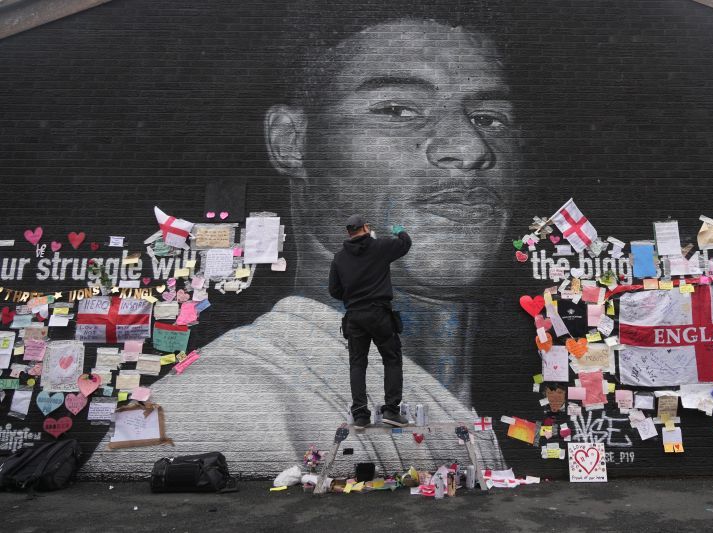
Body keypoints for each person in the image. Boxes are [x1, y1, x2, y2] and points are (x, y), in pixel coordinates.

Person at [83, 15, 519, 478]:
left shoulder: (463, 398)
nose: (469, 147)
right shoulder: (221, 409)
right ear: (292, 142)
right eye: (398, 110)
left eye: (490, 118)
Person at [329, 214, 412, 428]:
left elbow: (334, 290)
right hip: (379, 314)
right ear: (366, 227)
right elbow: (405, 244)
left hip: (355, 316)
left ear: (349, 232)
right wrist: (399, 231)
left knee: (358, 364)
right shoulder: (380, 247)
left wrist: (353, 297)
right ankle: (391, 411)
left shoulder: (339, 258)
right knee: (392, 359)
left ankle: (360, 415)